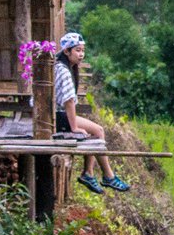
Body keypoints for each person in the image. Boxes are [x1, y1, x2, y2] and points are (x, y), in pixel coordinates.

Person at [55, 32, 130, 194]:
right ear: (67, 51)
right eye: (77, 50)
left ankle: (89, 173)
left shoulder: (61, 66)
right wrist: (74, 127)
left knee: (94, 131)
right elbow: (68, 101)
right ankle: (107, 176)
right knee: (98, 130)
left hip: (56, 114)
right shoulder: (64, 71)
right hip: (57, 117)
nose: (81, 54)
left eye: (82, 50)